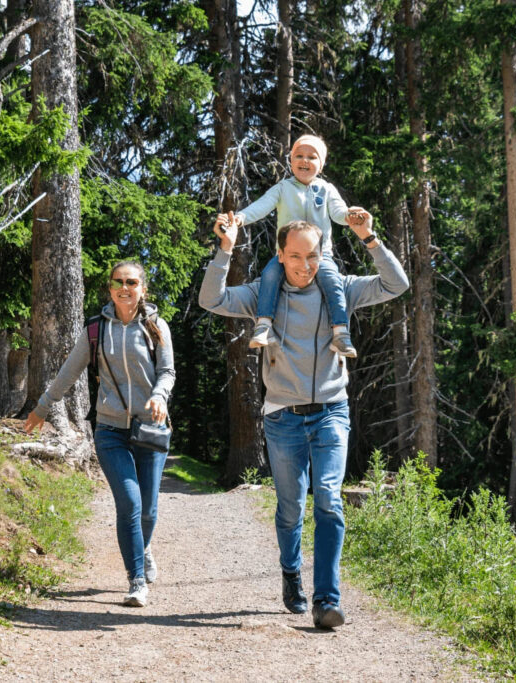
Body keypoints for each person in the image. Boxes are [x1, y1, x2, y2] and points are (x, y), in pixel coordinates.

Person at [199, 210, 409, 629]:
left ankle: (326, 600)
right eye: (294, 256)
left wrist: (369, 239)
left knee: (329, 499)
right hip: (283, 417)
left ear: (322, 255)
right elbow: (212, 299)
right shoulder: (265, 294)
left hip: (331, 410)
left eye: (311, 256)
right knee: (291, 508)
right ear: (280, 256)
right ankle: (291, 571)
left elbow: (396, 284)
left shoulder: (341, 290)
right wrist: (225, 250)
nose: (304, 265)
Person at [24, 260, 174, 608]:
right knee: (130, 504)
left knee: (148, 511)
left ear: (142, 289)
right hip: (109, 430)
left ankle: (143, 546)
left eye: (132, 282)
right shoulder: (96, 329)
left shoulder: (155, 326)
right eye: (118, 282)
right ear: (110, 288)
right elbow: (69, 370)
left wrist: (158, 395)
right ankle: (137, 580)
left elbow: (167, 372)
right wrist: (43, 406)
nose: (125, 287)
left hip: (150, 427)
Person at [216, 133, 367, 358]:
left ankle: (340, 332)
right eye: (299, 155)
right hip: (287, 255)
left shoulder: (326, 189)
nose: (304, 161)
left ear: (321, 164)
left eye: (312, 157)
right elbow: (261, 206)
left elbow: (338, 213)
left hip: (321, 254)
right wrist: (240, 218)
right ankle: (264, 325)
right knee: (269, 275)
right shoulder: (283, 188)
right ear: (290, 160)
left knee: (332, 279)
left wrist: (350, 216)